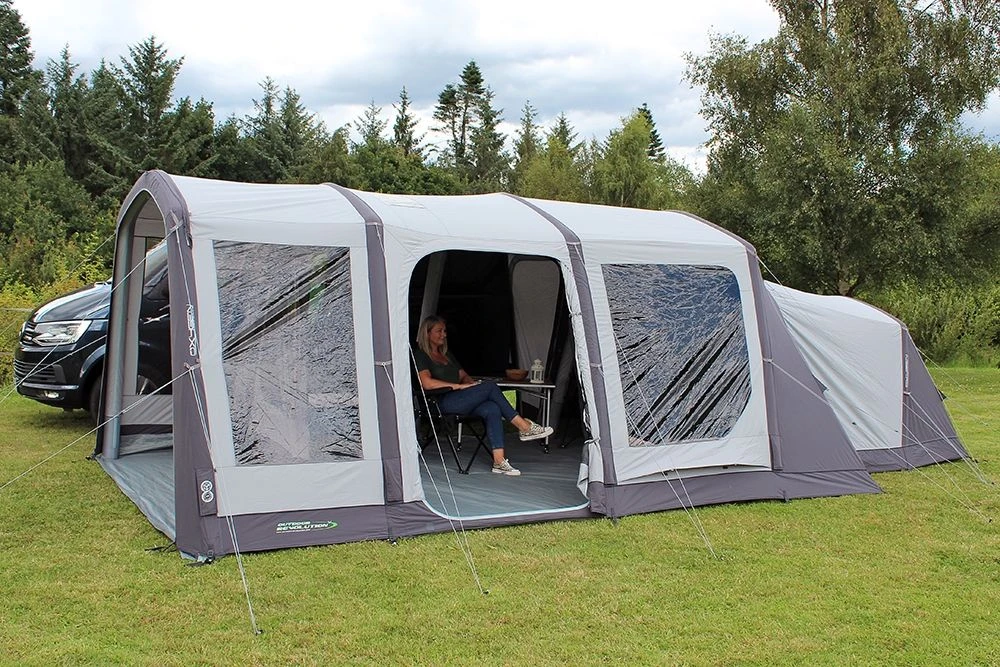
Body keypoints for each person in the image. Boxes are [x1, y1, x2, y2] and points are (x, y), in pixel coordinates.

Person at [413, 315, 553, 476]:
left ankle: (499, 461)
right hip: (439, 402)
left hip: (459, 399)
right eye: (439, 331)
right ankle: (524, 426)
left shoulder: (447, 355)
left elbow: (464, 375)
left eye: (444, 331)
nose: (444, 335)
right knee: (490, 387)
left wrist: (470, 384)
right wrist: (459, 386)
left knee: (492, 408)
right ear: (427, 333)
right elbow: (427, 383)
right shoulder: (421, 355)